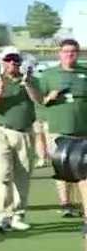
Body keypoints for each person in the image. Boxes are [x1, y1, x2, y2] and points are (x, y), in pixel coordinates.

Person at [0, 47, 41, 233]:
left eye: (15, 60)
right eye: (8, 60)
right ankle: (3, 216)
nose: (12, 63)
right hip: (1, 131)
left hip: (24, 132)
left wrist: (27, 84)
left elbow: (39, 100)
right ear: (2, 62)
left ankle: (18, 215)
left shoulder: (30, 81)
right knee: (2, 175)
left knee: (22, 175)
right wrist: (0, 89)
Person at [35, 39, 87, 218]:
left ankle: (82, 204)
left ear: (78, 53)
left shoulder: (84, 72)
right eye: (65, 51)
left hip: (83, 128)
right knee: (62, 166)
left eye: (73, 51)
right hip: (59, 128)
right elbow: (39, 99)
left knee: (83, 168)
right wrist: (49, 98)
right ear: (60, 53)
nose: (69, 54)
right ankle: (65, 203)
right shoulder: (49, 74)